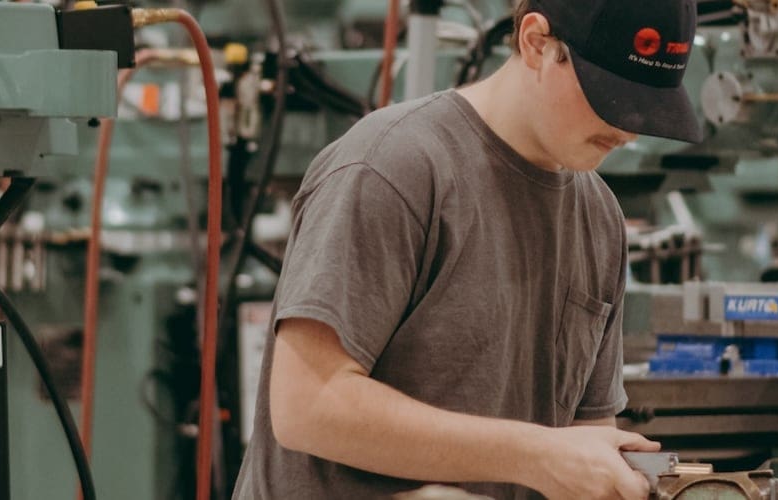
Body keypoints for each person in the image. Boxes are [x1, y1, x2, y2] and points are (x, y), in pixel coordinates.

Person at [228, 0, 702, 497]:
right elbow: (307, 405)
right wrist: (535, 455)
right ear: (536, 43)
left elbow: (585, 445)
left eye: (647, 107)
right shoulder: (394, 167)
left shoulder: (600, 219)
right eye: (612, 97)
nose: (628, 130)